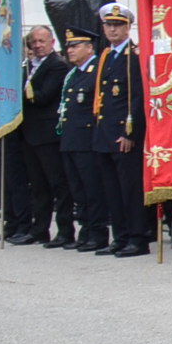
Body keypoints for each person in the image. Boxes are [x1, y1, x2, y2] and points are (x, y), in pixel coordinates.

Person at [5, 25, 71, 247]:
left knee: (57, 185)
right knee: (39, 186)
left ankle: (65, 231)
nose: (38, 45)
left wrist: (18, 89)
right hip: (29, 134)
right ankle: (39, 229)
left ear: (52, 42)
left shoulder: (57, 66)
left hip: (48, 134)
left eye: (42, 41)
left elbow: (43, 96)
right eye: (34, 41)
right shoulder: (28, 66)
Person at [94, 3, 148, 255]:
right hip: (105, 132)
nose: (113, 29)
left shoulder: (133, 56)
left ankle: (137, 238)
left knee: (129, 189)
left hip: (123, 133)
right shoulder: (107, 55)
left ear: (128, 27)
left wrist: (131, 133)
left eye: (118, 25)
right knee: (111, 190)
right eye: (109, 25)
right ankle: (120, 235)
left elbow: (137, 98)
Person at [57, 28, 111, 248]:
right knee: (78, 190)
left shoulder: (96, 70)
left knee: (92, 190)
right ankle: (85, 230)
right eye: (68, 46)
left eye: (75, 46)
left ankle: (97, 234)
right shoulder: (75, 73)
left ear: (89, 48)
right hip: (71, 138)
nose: (70, 50)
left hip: (87, 139)